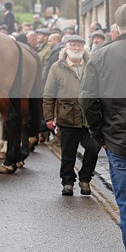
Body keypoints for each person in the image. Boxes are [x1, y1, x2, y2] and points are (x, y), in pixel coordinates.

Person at [80, 3, 126, 252]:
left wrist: (99, 134)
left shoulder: (101, 56)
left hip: (121, 142)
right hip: (123, 140)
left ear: (116, 29)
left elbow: (88, 101)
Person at [43, 35, 98, 196]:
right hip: (67, 117)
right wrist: (48, 118)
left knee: (93, 148)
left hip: (89, 119)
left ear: (84, 48)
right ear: (66, 47)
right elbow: (48, 95)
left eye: (79, 45)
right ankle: (67, 182)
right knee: (68, 153)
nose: (76, 48)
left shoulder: (92, 66)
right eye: (73, 45)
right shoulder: (57, 67)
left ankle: (85, 178)